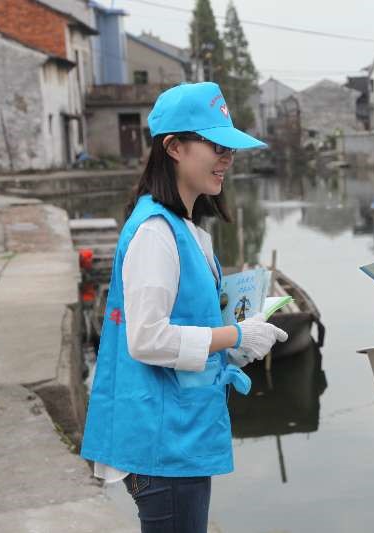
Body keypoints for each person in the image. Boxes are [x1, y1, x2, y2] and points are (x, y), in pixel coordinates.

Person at [81, 82, 288, 532]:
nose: (226, 159)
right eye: (216, 146)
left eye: (230, 149)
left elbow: (187, 322)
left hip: (181, 430)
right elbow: (146, 338)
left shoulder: (186, 229)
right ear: (174, 147)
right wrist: (235, 334)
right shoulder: (155, 232)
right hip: (162, 439)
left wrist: (232, 343)